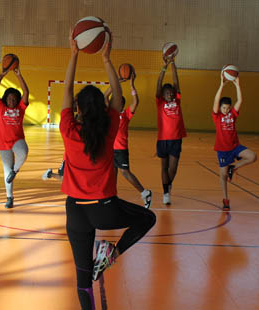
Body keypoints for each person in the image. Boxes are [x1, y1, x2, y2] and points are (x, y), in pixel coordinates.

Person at [62, 32, 156, 310]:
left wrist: (74, 53)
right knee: (147, 218)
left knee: (82, 281)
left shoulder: (67, 128)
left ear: (77, 108)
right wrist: (106, 58)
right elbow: (119, 95)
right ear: (103, 108)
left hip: (75, 211)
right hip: (105, 208)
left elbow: (66, 90)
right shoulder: (109, 127)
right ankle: (110, 254)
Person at [104, 73, 153, 208]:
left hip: (121, 149)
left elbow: (136, 102)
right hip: (110, 149)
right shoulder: (110, 112)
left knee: (125, 172)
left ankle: (145, 192)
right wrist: (116, 83)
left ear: (121, 104)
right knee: (112, 175)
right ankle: (111, 199)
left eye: (117, 101)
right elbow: (104, 96)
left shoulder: (126, 114)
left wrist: (131, 85)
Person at [212, 75, 257, 211]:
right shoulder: (217, 116)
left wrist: (237, 84)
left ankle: (234, 167)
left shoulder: (232, 114)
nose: (225, 110)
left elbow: (240, 100)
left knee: (252, 156)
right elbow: (215, 100)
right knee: (223, 175)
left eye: (227, 108)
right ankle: (226, 199)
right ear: (220, 108)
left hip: (235, 146)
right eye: (223, 108)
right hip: (223, 149)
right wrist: (222, 84)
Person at [0, 66, 30, 209]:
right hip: (3, 143)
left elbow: (26, 92)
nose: (12, 101)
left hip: (17, 140)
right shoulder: (1, 108)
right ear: (5, 100)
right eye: (9, 99)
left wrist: (19, 75)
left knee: (24, 152)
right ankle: (9, 198)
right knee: (6, 171)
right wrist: (1, 75)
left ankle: (16, 170)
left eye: (14, 99)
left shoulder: (21, 108)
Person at [155, 55, 186, 205]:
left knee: (172, 169)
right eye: (167, 93)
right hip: (162, 140)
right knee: (164, 167)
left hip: (176, 139)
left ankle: (168, 184)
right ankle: (166, 192)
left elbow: (175, 81)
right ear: (162, 95)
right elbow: (159, 84)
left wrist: (173, 63)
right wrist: (164, 67)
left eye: (172, 92)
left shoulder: (177, 101)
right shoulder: (159, 102)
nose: (171, 94)